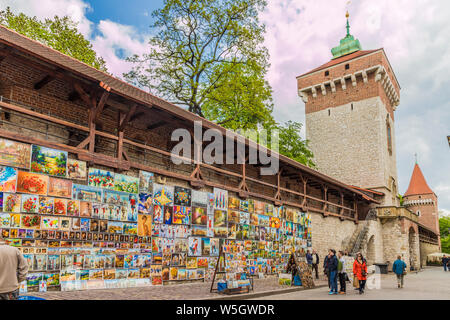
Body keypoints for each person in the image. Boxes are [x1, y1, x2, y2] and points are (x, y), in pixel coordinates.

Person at [0, 235, 29, 300]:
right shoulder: (14, 250)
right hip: (11, 289)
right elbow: (24, 267)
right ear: (3, 239)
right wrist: (18, 280)